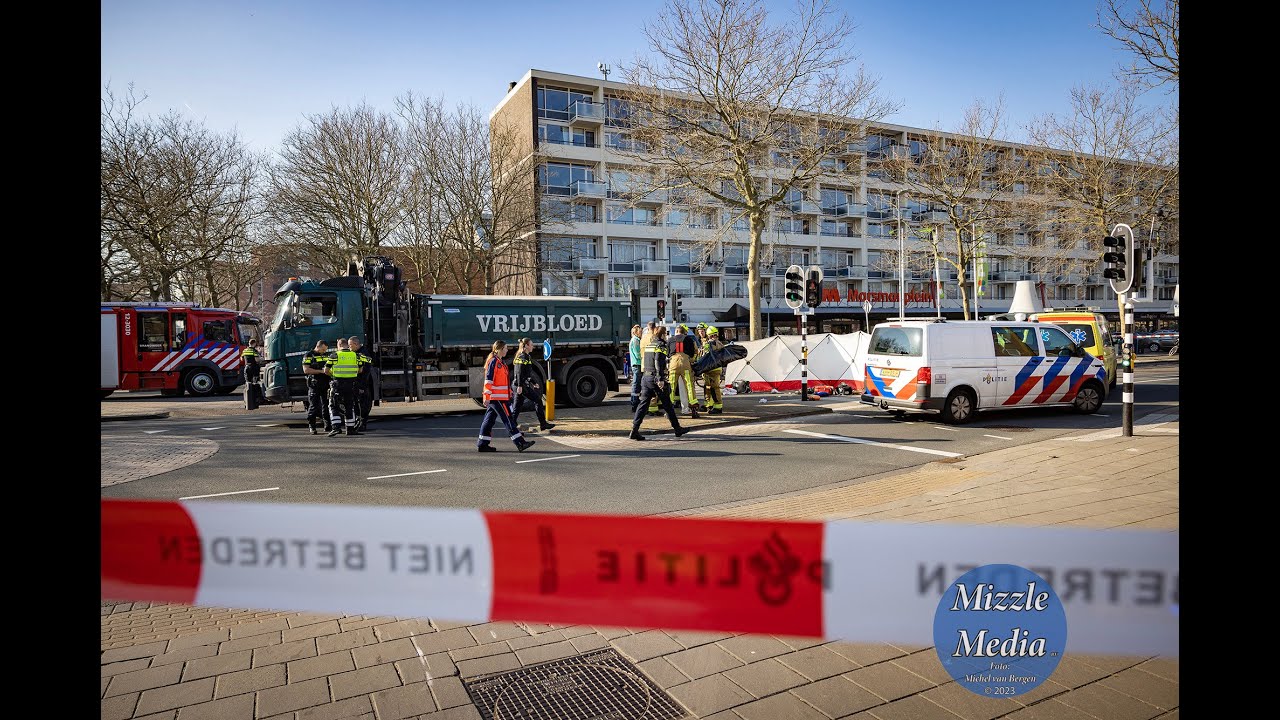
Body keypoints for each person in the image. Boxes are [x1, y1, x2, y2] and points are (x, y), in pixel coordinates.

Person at [630, 326, 688, 441]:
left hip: (646, 378)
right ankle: (677, 429)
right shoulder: (660, 346)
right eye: (665, 334)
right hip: (655, 379)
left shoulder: (649, 346)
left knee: (643, 405)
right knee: (667, 404)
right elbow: (658, 361)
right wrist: (660, 378)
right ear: (662, 335)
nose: (666, 336)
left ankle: (634, 430)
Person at [477, 340, 535, 453]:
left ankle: (483, 444)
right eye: (505, 348)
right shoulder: (494, 362)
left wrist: (509, 391)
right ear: (500, 349)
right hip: (497, 398)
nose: (507, 350)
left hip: (500, 397)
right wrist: (486, 397)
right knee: (508, 420)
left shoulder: (500, 362)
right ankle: (520, 443)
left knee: (489, 421)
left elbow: (501, 381)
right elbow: (488, 380)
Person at [511, 337, 555, 431]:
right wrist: (519, 386)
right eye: (531, 345)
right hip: (521, 385)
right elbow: (519, 372)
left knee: (517, 406)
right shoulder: (522, 357)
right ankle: (543, 424)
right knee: (537, 401)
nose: (533, 347)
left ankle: (512, 425)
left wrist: (534, 383)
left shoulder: (527, 357)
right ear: (526, 346)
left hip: (522, 385)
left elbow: (527, 373)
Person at [325, 338, 361, 436]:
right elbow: (360, 370)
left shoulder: (334, 355)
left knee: (333, 405)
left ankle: (336, 428)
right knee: (349, 406)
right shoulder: (356, 355)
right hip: (351, 384)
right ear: (346, 345)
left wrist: (333, 374)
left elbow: (326, 371)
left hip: (338, 384)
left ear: (339, 345)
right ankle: (350, 429)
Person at [301, 340, 332, 435]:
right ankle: (312, 426)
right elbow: (306, 370)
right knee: (314, 405)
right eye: (323, 349)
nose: (324, 351)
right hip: (314, 383)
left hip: (326, 383)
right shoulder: (309, 355)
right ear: (318, 347)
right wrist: (321, 371)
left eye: (325, 350)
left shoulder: (326, 355)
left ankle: (327, 425)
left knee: (326, 405)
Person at [667, 324, 698, 418]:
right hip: (685, 363)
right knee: (689, 385)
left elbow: (668, 353)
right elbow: (692, 353)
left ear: (676, 332)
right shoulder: (689, 339)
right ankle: (693, 407)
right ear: (684, 332)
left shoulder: (670, 340)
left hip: (673, 364)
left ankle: (669, 409)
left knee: (671, 386)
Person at [697, 326, 726, 415]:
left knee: (714, 388)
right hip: (714, 369)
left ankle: (717, 407)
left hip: (711, 369)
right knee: (708, 387)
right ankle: (708, 404)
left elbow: (703, 357)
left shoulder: (710, 344)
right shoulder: (719, 343)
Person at [349, 336, 374, 432]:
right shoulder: (356, 353)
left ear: (356, 344)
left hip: (362, 382)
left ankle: (362, 423)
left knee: (363, 404)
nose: (349, 347)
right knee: (357, 404)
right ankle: (358, 422)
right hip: (357, 382)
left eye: (350, 345)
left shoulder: (363, 354)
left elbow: (363, 370)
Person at [627, 324, 644, 414]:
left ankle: (634, 402)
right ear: (636, 332)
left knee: (636, 383)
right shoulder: (636, 340)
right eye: (640, 331)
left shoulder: (633, 340)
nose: (641, 333)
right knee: (636, 384)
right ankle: (635, 403)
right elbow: (638, 353)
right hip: (638, 364)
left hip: (635, 364)